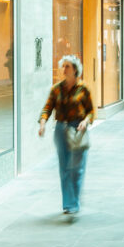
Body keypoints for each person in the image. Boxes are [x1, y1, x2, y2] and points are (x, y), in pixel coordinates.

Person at [39, 55, 95, 216]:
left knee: (76, 168)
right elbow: (47, 108)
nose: (64, 69)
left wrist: (85, 121)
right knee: (64, 168)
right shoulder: (56, 89)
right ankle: (69, 204)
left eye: (67, 66)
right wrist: (42, 123)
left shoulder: (83, 89)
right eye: (63, 66)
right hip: (60, 130)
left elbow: (91, 111)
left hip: (77, 129)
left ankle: (74, 201)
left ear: (75, 69)